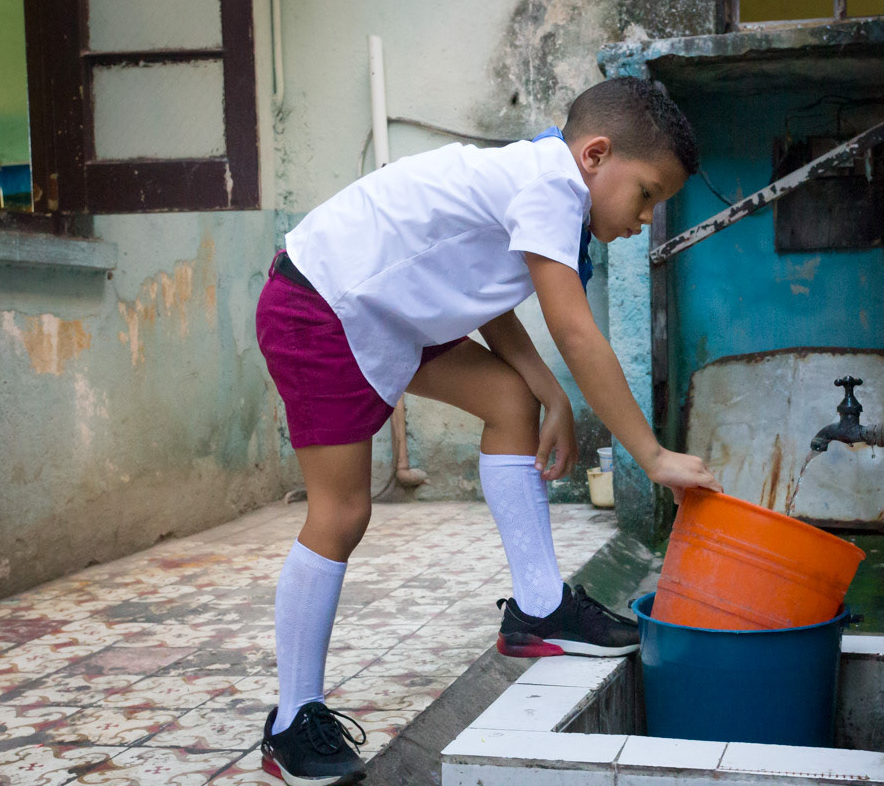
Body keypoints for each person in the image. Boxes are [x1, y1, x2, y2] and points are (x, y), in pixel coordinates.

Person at [254, 76, 722, 785]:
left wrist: (543, 391)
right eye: (648, 194)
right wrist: (651, 455)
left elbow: (479, 290)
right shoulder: (551, 187)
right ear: (596, 156)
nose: (644, 219)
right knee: (342, 512)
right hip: (319, 304)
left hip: (383, 309)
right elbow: (573, 326)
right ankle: (292, 722)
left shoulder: (537, 175)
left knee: (510, 400)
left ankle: (539, 612)